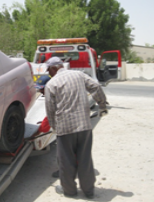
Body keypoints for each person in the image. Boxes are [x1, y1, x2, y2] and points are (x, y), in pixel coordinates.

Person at [44, 56, 108, 199]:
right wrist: (102, 106)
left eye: (49, 69)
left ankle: (69, 191)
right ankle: (89, 191)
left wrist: (55, 127)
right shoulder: (78, 75)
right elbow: (96, 86)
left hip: (65, 129)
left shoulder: (51, 84)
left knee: (66, 160)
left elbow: (50, 109)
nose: (48, 72)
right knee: (85, 158)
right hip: (84, 126)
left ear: (54, 68)